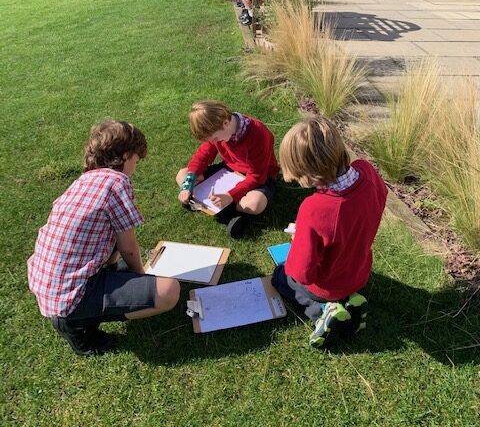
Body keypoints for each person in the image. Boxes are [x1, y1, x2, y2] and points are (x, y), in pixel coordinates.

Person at [27, 120, 180, 357]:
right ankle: (79, 326)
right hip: (72, 295)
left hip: (48, 282)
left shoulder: (83, 180)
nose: (135, 168)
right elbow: (127, 247)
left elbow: (104, 242)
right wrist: (140, 277)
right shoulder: (117, 182)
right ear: (126, 155)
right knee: (169, 291)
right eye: (136, 161)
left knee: (122, 269)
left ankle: (76, 314)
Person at [272, 115, 387, 348]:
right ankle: (351, 299)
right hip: (360, 272)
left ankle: (324, 310)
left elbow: (302, 272)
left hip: (328, 285)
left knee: (281, 277)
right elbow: (378, 201)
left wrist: (298, 239)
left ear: (310, 175)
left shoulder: (314, 208)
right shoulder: (367, 171)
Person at [176, 100, 279, 239]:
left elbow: (257, 176)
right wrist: (188, 183)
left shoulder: (258, 134)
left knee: (254, 204)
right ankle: (226, 210)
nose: (216, 142)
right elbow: (202, 157)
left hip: (260, 177)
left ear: (225, 123)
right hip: (229, 170)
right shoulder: (219, 131)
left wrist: (230, 195)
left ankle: (210, 205)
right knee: (182, 174)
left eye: (216, 138)